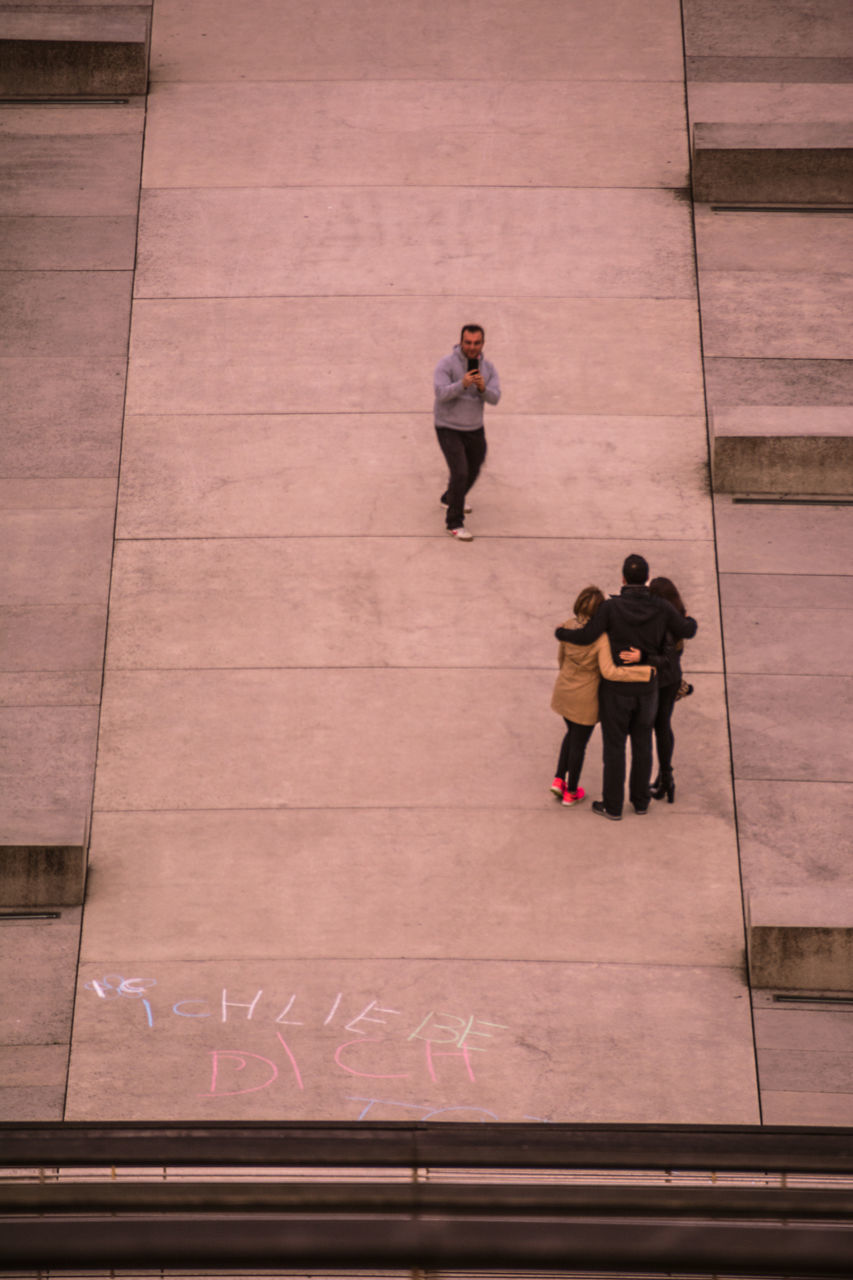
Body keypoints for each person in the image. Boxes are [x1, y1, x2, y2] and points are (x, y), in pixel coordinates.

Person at [556, 554, 697, 821]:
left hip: (615, 690)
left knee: (615, 747)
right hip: (647, 689)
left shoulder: (610, 608)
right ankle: (641, 801)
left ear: (622, 578)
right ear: (646, 578)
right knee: (643, 744)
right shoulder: (662, 607)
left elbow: (587, 636)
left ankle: (613, 806)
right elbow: (686, 630)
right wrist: (691, 621)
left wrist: (562, 633)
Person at [551, 585, 654, 807]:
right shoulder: (600, 639)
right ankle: (571, 792)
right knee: (580, 742)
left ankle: (559, 778)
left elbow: (561, 660)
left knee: (570, 734)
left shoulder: (567, 627)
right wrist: (644, 671)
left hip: (564, 690)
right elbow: (609, 671)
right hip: (585, 698)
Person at [433, 324, 501, 541]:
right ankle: (454, 522)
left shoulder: (488, 368)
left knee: (474, 466)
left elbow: (495, 398)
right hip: (448, 426)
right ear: (461, 342)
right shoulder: (446, 364)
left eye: (476, 343)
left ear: (483, 344)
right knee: (460, 471)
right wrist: (462, 384)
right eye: (468, 343)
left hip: (474, 427)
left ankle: (449, 497)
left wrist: (482, 388)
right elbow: (440, 393)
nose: (472, 347)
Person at [647, 576, 692, 804]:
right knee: (664, 725)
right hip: (673, 678)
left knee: (658, 726)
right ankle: (665, 776)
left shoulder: (660, 619)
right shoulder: (679, 615)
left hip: (658, 679)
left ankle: (665, 779)